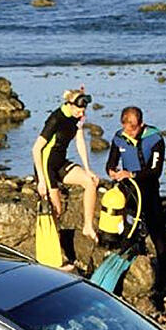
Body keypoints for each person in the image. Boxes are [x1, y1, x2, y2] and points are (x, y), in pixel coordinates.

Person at [31, 89, 101, 270]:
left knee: (90, 182)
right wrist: (41, 180)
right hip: (46, 167)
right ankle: (52, 259)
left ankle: (87, 226)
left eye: (84, 110)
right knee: (56, 210)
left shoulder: (77, 119)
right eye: (79, 109)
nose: (82, 113)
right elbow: (36, 149)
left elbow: (79, 142)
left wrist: (88, 169)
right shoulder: (55, 119)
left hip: (60, 163)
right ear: (70, 105)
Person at [106, 106, 166, 294]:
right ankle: (127, 275)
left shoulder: (155, 138)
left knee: (157, 233)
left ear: (141, 125)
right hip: (129, 192)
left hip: (149, 190)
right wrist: (112, 171)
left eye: (133, 128)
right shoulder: (119, 137)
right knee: (129, 232)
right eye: (127, 128)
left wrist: (132, 174)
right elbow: (111, 162)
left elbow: (155, 172)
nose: (130, 132)